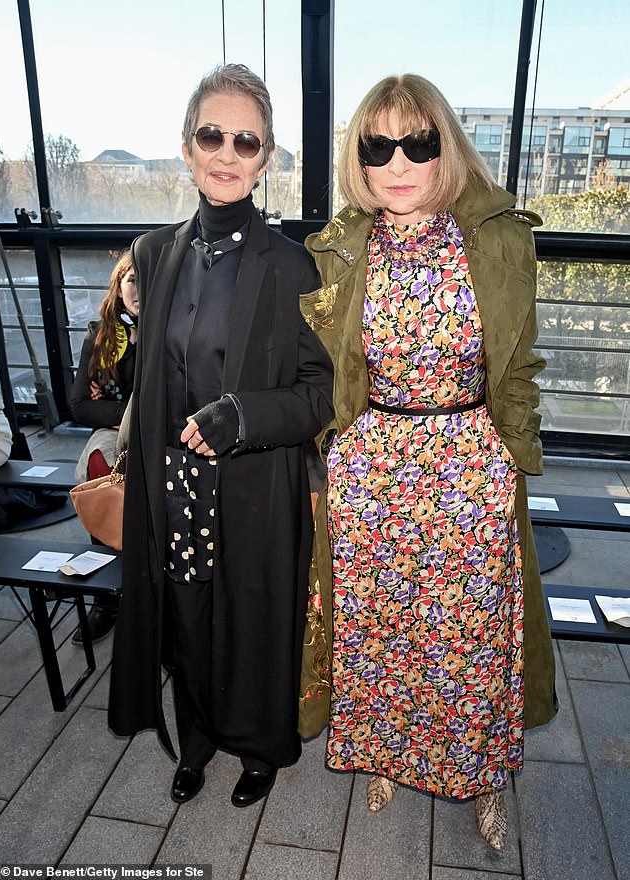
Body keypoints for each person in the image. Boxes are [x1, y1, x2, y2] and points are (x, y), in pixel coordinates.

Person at [299, 73, 557, 851]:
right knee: (381, 629)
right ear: (359, 156)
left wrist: (513, 458)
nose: (399, 161)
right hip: (373, 466)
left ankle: (480, 776)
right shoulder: (343, 248)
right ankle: (386, 750)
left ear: (446, 147)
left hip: (468, 463)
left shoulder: (499, 240)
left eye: (419, 141)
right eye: (379, 145)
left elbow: (517, 366)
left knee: (471, 638)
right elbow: (323, 367)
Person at [108, 63, 334, 810]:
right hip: (171, 482)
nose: (228, 152)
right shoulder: (155, 254)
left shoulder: (290, 265)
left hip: (254, 483)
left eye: (248, 140)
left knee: (253, 616)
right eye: (214, 134)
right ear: (186, 145)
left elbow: (321, 394)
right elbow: (115, 377)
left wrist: (243, 416)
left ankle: (262, 746)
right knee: (186, 616)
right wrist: (131, 320)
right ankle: (197, 740)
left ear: (266, 158)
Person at [70, 252, 139, 642]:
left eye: (148, 280)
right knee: (100, 464)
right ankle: (108, 595)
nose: (139, 289)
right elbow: (81, 406)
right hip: (117, 431)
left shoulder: (175, 327)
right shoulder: (100, 334)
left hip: (169, 429)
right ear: (118, 285)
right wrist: (131, 409)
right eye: (132, 279)